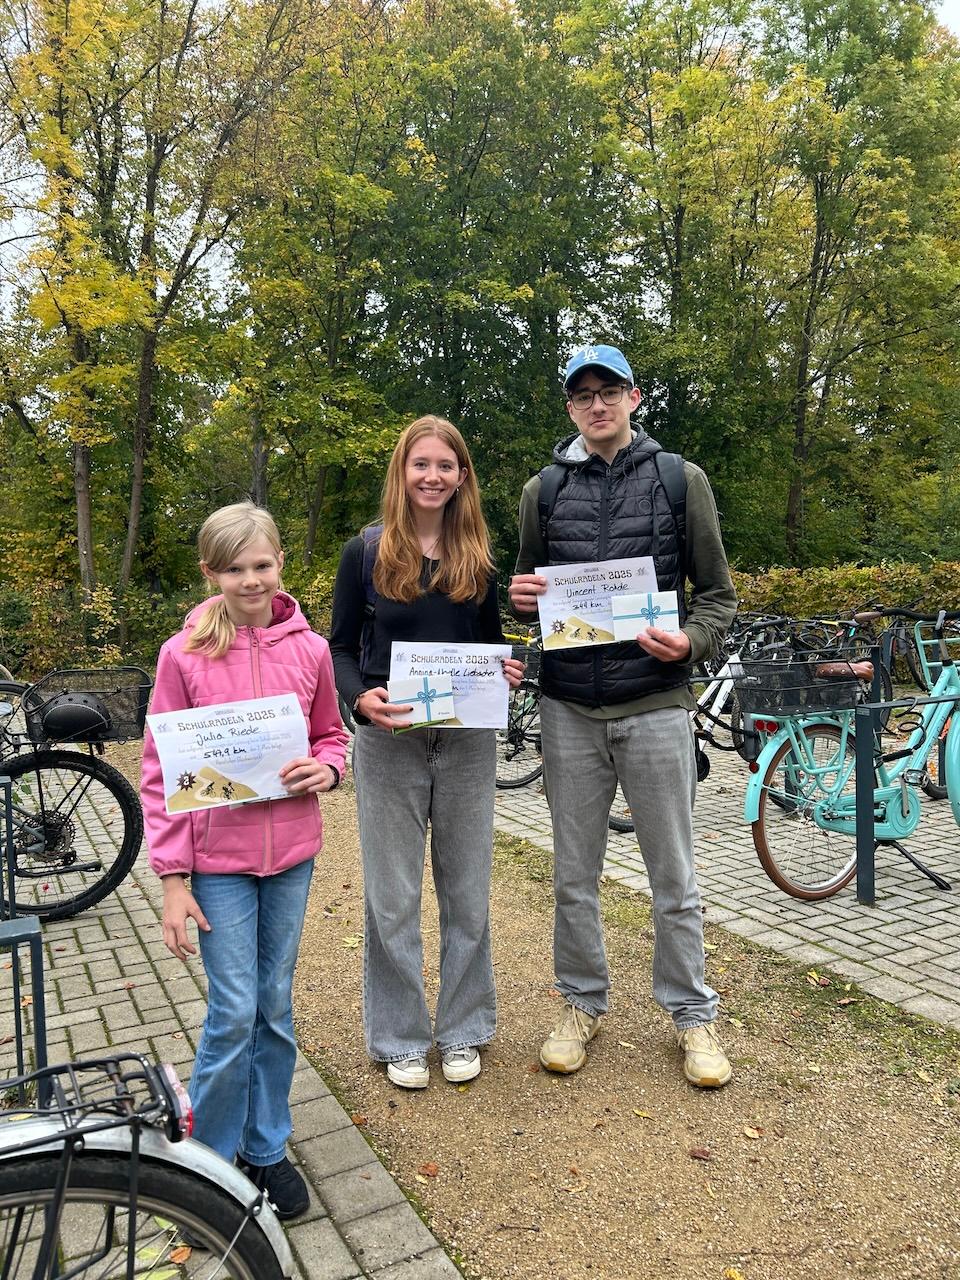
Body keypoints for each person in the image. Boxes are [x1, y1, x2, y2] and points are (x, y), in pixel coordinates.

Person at [508, 343, 738, 1088]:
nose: (597, 404)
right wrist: (520, 602)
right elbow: (530, 591)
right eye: (583, 395)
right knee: (574, 875)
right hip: (570, 709)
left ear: (635, 398)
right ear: (570, 408)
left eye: (610, 391)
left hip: (656, 704)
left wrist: (690, 642)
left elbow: (718, 597)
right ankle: (581, 1003)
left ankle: (693, 1016)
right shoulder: (541, 491)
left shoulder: (679, 479)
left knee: (674, 877)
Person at [141, 501, 348, 1219]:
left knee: (275, 1006)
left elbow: (331, 736)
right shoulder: (183, 654)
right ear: (211, 573)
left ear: (281, 562)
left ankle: (265, 1146)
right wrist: (172, 880)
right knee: (233, 1011)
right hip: (218, 864)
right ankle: (209, 1161)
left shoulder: (311, 650)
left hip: (290, 855)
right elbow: (159, 771)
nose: (251, 580)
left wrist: (328, 769)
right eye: (235, 569)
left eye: (261, 565)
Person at [330, 415, 523, 1090]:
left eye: (445, 465)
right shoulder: (366, 551)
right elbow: (337, 647)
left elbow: (491, 644)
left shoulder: (479, 555)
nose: (432, 476)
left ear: (461, 475)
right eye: (421, 465)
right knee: (393, 897)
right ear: (402, 472)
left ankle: (465, 1028)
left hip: (467, 741)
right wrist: (359, 699)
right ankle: (401, 1037)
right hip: (389, 742)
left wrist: (507, 672)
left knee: (467, 891)